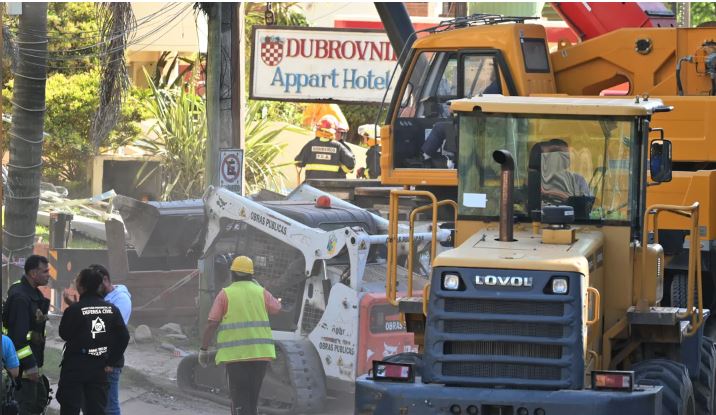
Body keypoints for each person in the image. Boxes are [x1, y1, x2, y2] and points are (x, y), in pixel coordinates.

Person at [199, 256, 282, 415]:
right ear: (252, 275)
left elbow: (212, 323)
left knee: (239, 398)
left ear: (232, 274)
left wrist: (204, 349)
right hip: (260, 355)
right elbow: (277, 308)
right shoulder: (261, 292)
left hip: (236, 357)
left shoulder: (225, 294)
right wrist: (259, 288)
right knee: (252, 398)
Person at [56, 268, 129, 415]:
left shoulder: (75, 310)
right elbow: (124, 337)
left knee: (70, 408)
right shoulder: (112, 309)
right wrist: (111, 362)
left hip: (75, 368)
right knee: (96, 409)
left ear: (81, 286)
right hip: (99, 368)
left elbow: (64, 334)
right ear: (99, 286)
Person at [2, 255, 51, 415]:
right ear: (32, 273)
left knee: (39, 402)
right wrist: (30, 366)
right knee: (26, 408)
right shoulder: (21, 299)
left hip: (31, 364)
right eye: (45, 271)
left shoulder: (32, 294)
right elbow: (17, 339)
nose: (48, 274)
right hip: (23, 371)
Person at [295, 114, 356, 180]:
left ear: (318, 129)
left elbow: (298, 162)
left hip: (312, 186)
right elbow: (351, 165)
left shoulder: (311, 144)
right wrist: (340, 168)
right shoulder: (338, 146)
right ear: (333, 131)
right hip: (333, 186)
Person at [540, 138, 592, 204]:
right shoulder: (538, 180)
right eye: (555, 153)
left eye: (565, 154)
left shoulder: (577, 180)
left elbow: (586, 205)